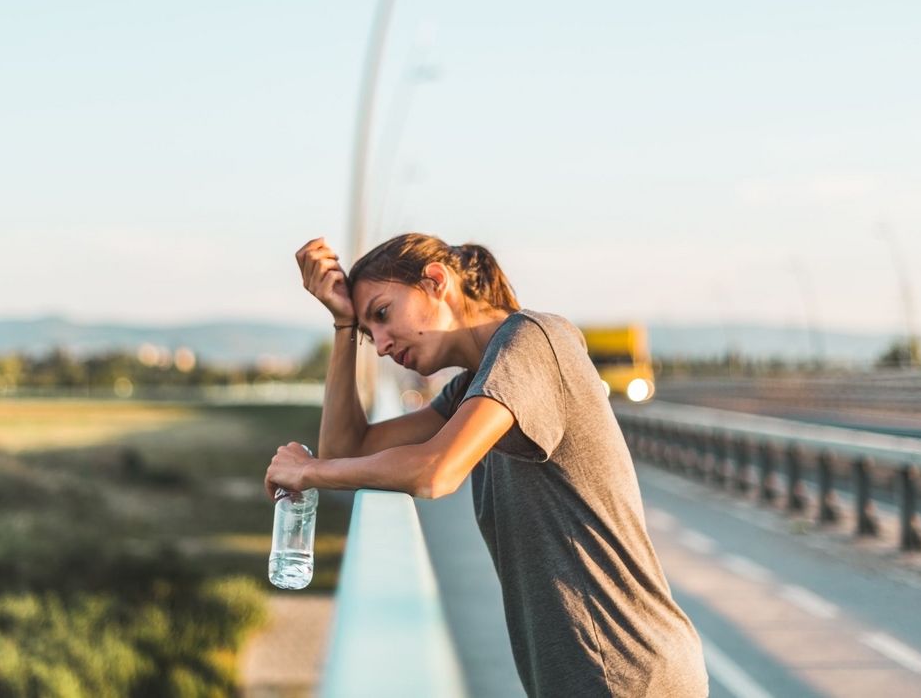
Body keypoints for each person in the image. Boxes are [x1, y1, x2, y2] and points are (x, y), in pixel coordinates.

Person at [265, 233, 708, 697]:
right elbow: (345, 450)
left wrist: (309, 473)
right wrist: (341, 324)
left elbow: (436, 471)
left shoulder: (533, 339)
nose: (378, 344)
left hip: (625, 672)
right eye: (366, 332)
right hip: (587, 675)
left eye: (381, 314)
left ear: (436, 281)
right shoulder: (470, 390)